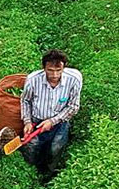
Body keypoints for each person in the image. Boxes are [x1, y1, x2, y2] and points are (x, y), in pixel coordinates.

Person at [20, 49, 82, 180]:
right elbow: (25, 100)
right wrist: (27, 121)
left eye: (58, 70)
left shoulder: (74, 80)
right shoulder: (33, 80)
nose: (54, 75)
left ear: (64, 68)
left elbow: (73, 107)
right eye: (50, 70)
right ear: (43, 68)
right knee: (31, 148)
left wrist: (52, 121)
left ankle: (48, 175)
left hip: (60, 122)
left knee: (55, 148)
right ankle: (30, 175)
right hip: (36, 120)